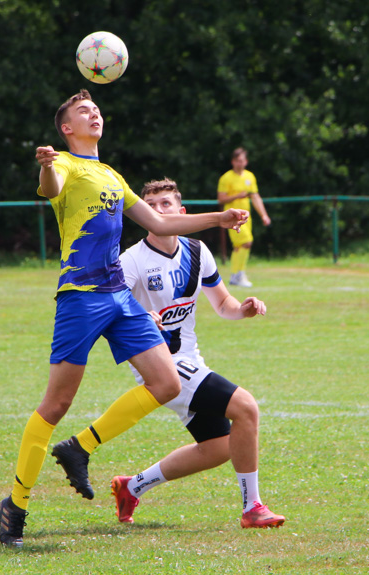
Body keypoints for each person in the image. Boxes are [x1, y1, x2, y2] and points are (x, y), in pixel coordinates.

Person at [0, 89, 249, 548]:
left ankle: (80, 447)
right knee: (55, 406)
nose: (93, 114)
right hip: (81, 297)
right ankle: (15, 504)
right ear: (66, 128)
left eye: (96, 109)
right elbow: (51, 188)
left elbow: (162, 223)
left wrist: (220, 217)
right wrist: (47, 165)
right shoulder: (67, 165)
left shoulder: (112, 174)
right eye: (82, 112)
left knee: (167, 383)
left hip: (118, 296)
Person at [110, 178, 285, 529]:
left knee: (221, 446)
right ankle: (252, 508)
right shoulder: (131, 260)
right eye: (152, 205)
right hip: (160, 366)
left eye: (166, 204)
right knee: (247, 407)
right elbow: (114, 311)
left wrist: (244, 308)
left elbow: (223, 303)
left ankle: (132, 486)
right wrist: (144, 320)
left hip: (190, 361)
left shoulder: (197, 251)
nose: (159, 210)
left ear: (182, 212)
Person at [217, 147, 270, 288]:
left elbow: (256, 197)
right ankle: (237, 274)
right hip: (233, 217)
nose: (240, 163)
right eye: (237, 160)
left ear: (246, 162)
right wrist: (237, 195)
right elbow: (221, 199)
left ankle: (237, 274)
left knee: (239, 246)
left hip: (247, 217)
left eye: (242, 160)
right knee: (247, 242)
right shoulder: (226, 178)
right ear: (233, 162)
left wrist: (263, 215)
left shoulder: (250, 176)